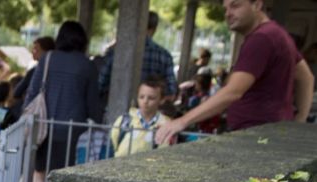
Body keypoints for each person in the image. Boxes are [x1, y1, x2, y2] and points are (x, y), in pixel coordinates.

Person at [156, 0, 314, 145]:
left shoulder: (262, 38)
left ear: (257, 5)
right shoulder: (277, 34)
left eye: (235, 5)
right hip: (271, 135)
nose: (228, 13)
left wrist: (182, 121)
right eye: (225, 8)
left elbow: (233, 92)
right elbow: (306, 78)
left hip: (257, 139)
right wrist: (299, 121)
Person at [22, 20, 101, 182]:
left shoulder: (47, 59)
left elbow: (32, 91)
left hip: (43, 127)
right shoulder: (87, 66)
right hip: (69, 132)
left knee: (39, 176)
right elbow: (92, 105)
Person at [99, 12, 178, 101]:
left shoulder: (116, 52)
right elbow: (171, 90)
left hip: (117, 105)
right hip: (149, 111)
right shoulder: (164, 56)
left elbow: (101, 83)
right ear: (154, 29)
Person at [111, 78, 172, 157]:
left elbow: (164, 149)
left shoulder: (165, 123)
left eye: (151, 98)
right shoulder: (124, 120)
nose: (145, 101)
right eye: (141, 97)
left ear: (161, 100)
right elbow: (113, 141)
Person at [12, 36, 55, 105]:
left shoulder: (35, 70)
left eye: (36, 49)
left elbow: (17, 92)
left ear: (46, 52)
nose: (32, 51)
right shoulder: (56, 69)